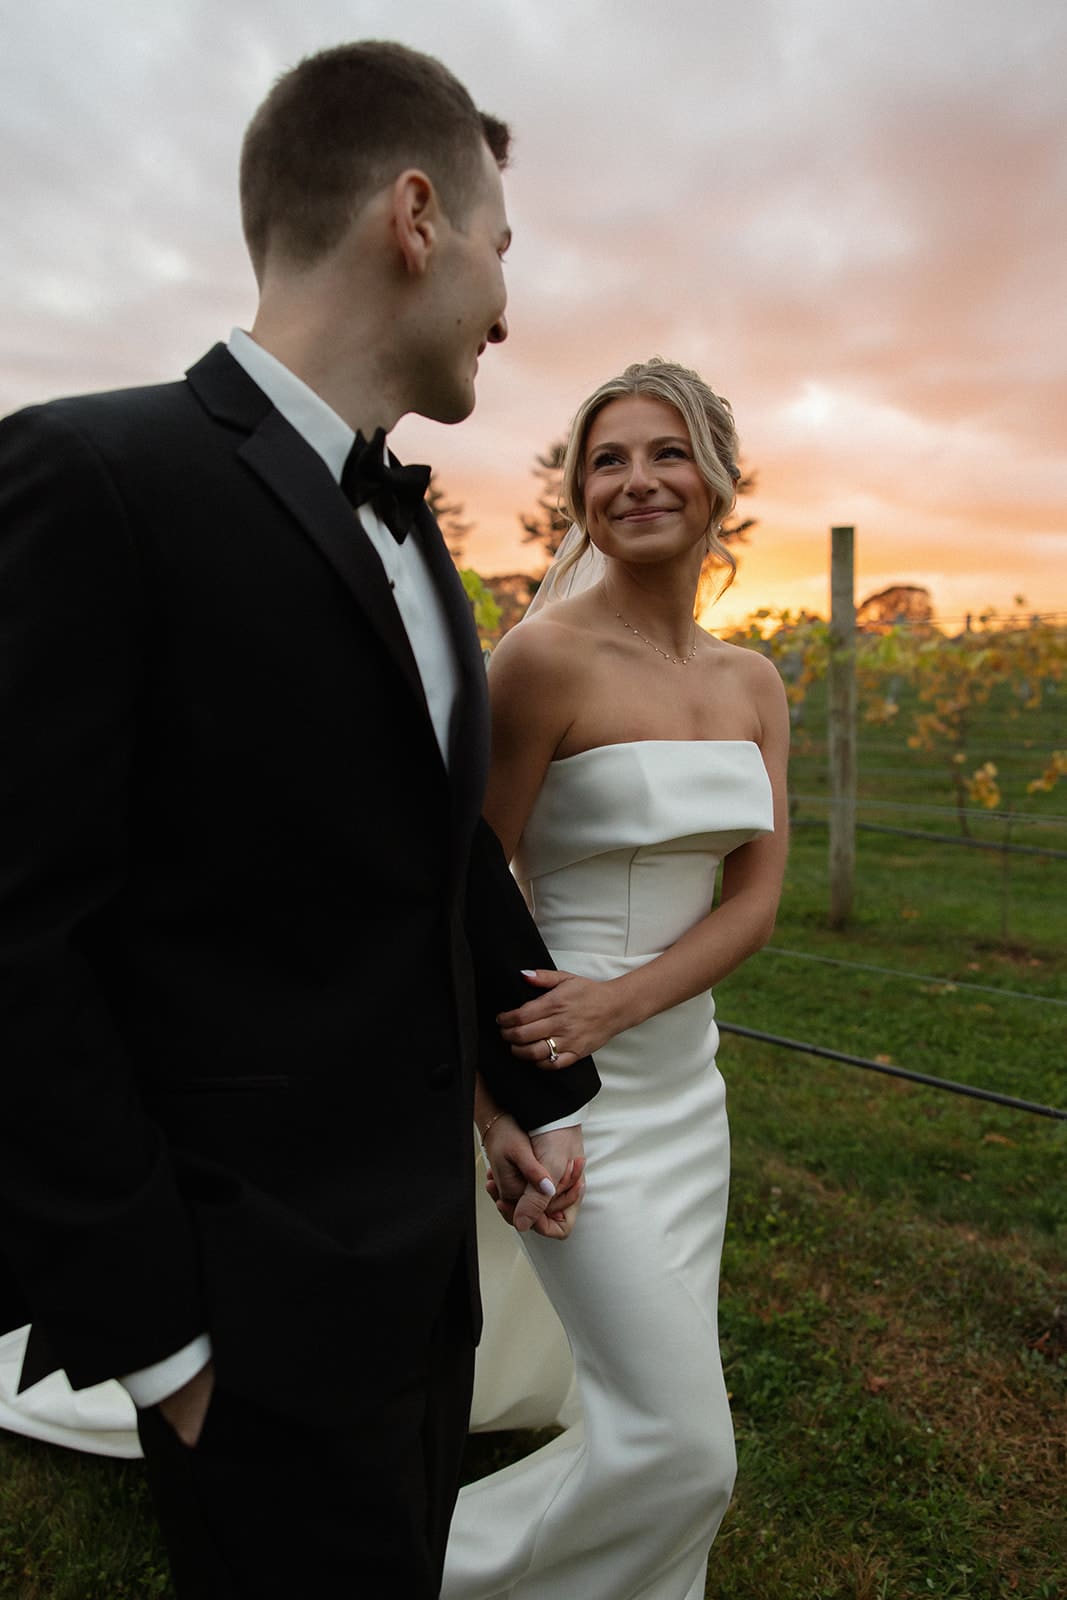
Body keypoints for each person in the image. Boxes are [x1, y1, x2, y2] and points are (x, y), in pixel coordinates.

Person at [0, 41, 599, 1600]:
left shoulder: (422, 543)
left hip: (425, 1294)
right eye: (500, 249)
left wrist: (517, 1087)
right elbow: (18, 935)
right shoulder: (88, 476)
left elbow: (428, 845)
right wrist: (162, 1338)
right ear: (415, 215)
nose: (507, 305)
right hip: (241, 1326)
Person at [442, 358, 790, 1600]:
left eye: (665, 451)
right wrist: (501, 1107)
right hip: (561, 1083)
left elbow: (753, 898)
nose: (636, 479)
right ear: (578, 495)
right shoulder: (538, 660)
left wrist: (628, 1002)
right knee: (685, 1443)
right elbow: (460, 886)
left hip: (685, 1090)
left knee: (643, 1413)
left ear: (716, 482)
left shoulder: (751, 682)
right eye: (606, 458)